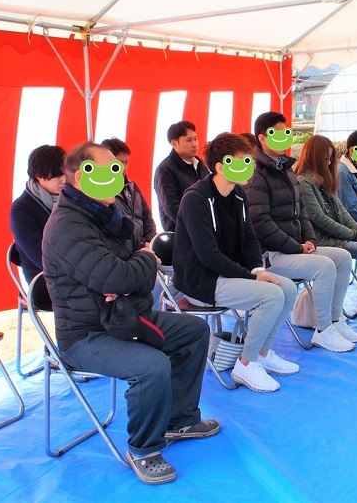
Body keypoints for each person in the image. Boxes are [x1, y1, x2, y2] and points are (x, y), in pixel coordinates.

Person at [42, 142, 218, 485]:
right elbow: (123, 273)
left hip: (126, 316)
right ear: (80, 177)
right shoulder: (67, 225)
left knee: (195, 331)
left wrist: (133, 270)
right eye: (109, 170)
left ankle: (179, 420)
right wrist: (139, 266)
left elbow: (135, 267)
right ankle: (143, 449)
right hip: (87, 334)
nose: (118, 176)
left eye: (117, 170)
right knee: (152, 365)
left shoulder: (106, 213)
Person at [173, 132, 299, 393]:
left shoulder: (239, 194)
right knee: (271, 295)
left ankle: (262, 353)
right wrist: (252, 277)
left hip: (229, 275)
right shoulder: (196, 198)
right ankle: (245, 364)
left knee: (287, 288)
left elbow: (250, 239)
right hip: (202, 281)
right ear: (221, 167)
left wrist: (257, 269)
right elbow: (207, 255)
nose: (250, 167)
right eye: (244, 162)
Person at [243, 111, 357, 352]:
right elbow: (261, 222)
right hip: (270, 255)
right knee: (324, 265)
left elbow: (302, 211)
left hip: (294, 248)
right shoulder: (256, 173)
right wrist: (296, 246)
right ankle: (323, 329)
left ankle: (335, 320)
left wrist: (309, 240)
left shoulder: (286, 168)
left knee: (342, 257)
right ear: (262, 138)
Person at [295, 135, 357, 321]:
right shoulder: (305, 181)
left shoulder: (325, 179)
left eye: (331, 158)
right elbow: (320, 218)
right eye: (326, 158)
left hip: (339, 234)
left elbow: (342, 211)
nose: (329, 162)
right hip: (322, 240)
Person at [9, 144, 66, 283]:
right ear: (38, 175)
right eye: (57, 175)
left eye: (65, 173)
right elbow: (42, 258)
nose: (64, 180)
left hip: (80, 272)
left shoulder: (73, 198)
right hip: (47, 281)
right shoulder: (21, 210)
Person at [101, 137, 157, 248]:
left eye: (126, 162)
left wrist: (151, 240)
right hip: (123, 249)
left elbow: (147, 216)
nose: (124, 167)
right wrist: (141, 245)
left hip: (144, 246)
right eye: (120, 162)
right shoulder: (101, 192)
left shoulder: (132, 187)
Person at [153, 120, 208, 231]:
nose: (195, 144)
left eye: (195, 139)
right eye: (189, 140)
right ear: (174, 144)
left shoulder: (201, 164)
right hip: (180, 232)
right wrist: (198, 224)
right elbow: (172, 209)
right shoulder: (165, 170)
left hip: (205, 227)